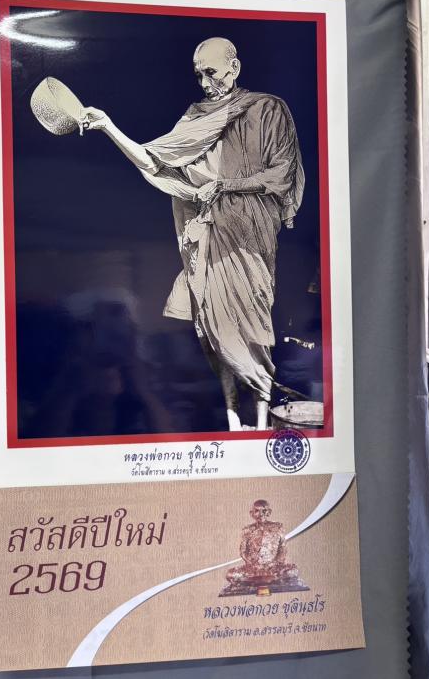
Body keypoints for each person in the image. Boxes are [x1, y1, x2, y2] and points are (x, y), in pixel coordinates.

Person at [78, 37, 304, 430]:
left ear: (234, 67)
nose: (204, 83)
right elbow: (153, 161)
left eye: (211, 72)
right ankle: (234, 421)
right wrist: (108, 126)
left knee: (253, 326)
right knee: (214, 327)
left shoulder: (267, 108)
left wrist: (226, 185)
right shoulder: (195, 118)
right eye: (198, 75)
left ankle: (260, 422)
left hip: (250, 236)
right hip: (209, 237)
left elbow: (280, 173)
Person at [221, 499, 304, 596]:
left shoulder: (278, 527)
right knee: (230, 574)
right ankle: (267, 580)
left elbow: (282, 549)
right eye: (257, 511)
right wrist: (252, 564)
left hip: (273, 568)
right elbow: (243, 551)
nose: (260, 514)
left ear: (269, 512)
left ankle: (258, 581)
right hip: (253, 569)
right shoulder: (247, 530)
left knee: (292, 571)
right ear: (252, 513)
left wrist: (274, 563)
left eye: (264, 511)